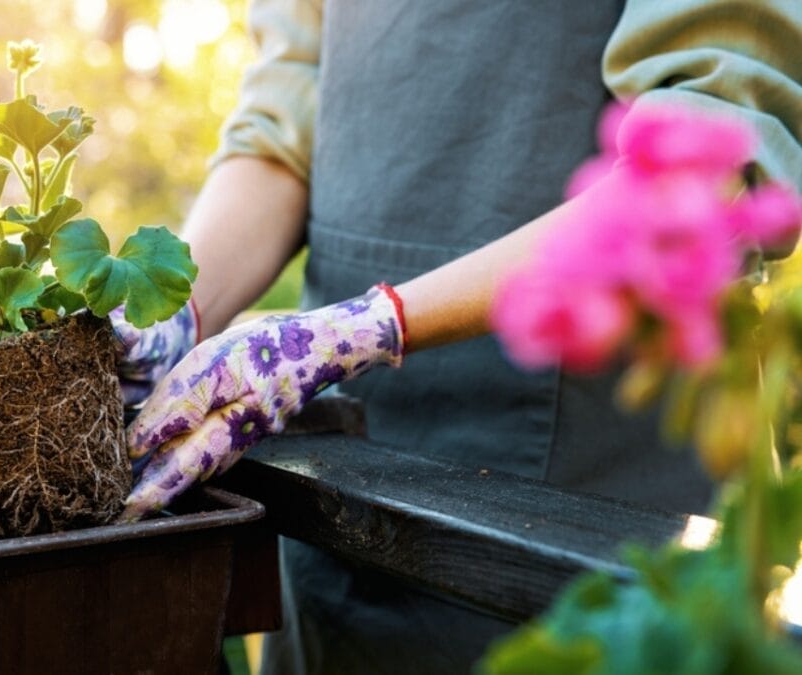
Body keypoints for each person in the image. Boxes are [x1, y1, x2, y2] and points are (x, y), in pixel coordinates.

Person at [113, 1, 802, 672]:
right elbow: (279, 133)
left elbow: (698, 179)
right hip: (334, 486)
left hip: (574, 508)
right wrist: (175, 312)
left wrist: (360, 330)